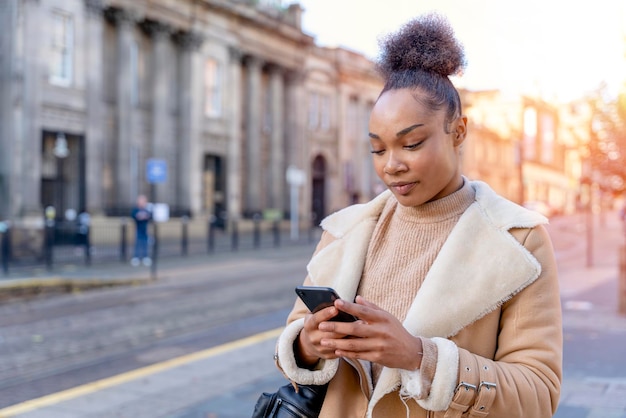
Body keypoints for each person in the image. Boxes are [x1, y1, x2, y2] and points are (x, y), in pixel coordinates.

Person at [274, 13, 562, 418]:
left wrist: (419, 357)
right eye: (377, 149)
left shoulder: (519, 239)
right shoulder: (344, 231)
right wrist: (308, 344)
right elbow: (293, 348)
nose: (391, 165)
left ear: (458, 131)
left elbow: (538, 395)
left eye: (411, 143)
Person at [131, 194, 152, 267]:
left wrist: (146, 217)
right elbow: (133, 215)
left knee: (145, 243)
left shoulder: (147, 210)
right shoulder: (136, 209)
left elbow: (150, 216)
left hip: (145, 229)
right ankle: (136, 257)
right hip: (138, 229)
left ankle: (145, 257)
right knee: (138, 243)